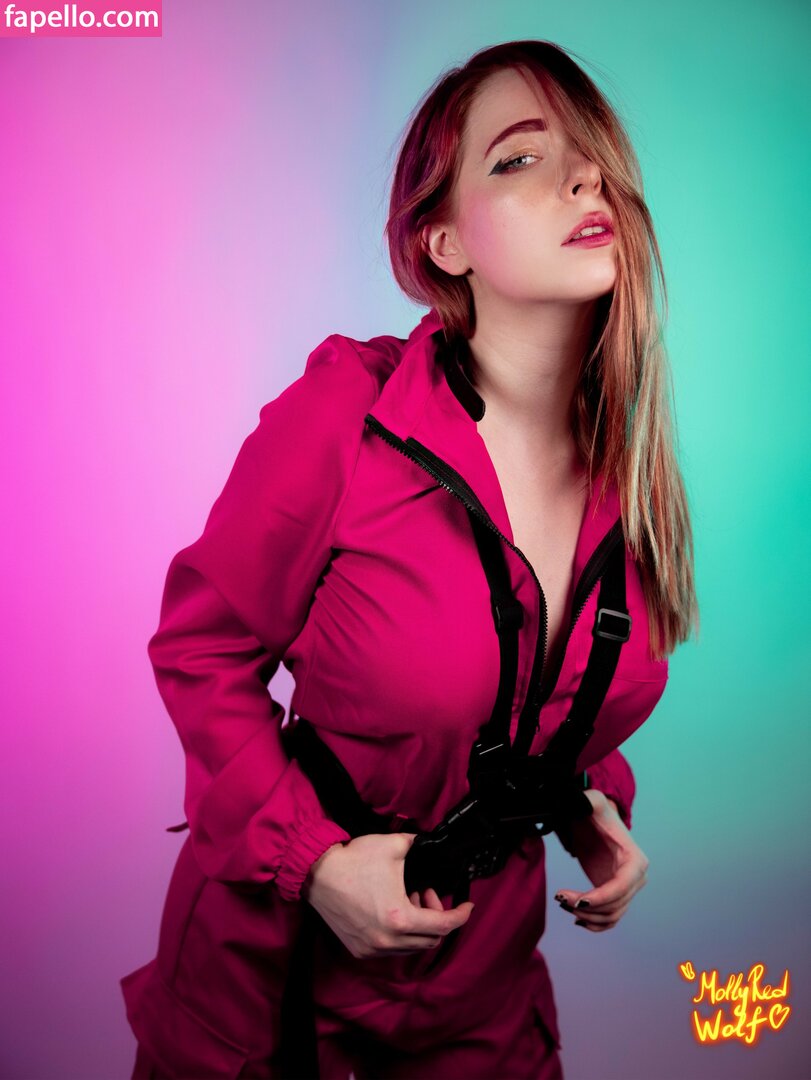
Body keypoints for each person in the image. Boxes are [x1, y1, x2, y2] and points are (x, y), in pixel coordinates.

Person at [119, 38, 698, 1080]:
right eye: (519, 158)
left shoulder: (635, 469)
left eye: (593, 155)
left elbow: (534, 707)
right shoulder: (347, 415)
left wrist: (589, 806)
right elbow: (200, 652)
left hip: (486, 994)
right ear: (443, 241)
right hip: (275, 987)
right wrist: (315, 863)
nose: (581, 178)